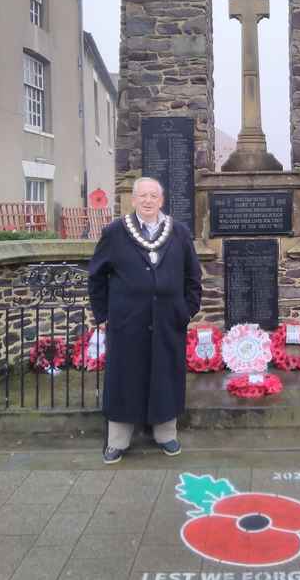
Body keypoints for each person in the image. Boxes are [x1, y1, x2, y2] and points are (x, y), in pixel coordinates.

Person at [88, 176, 202, 464]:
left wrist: (186, 310)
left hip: (167, 321)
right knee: (125, 377)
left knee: (165, 375)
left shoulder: (179, 232)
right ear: (134, 199)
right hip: (127, 322)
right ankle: (118, 440)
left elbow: (193, 277)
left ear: (161, 200)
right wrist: (103, 315)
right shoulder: (115, 233)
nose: (148, 201)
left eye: (153, 196)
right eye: (142, 196)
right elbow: (97, 277)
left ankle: (166, 434)